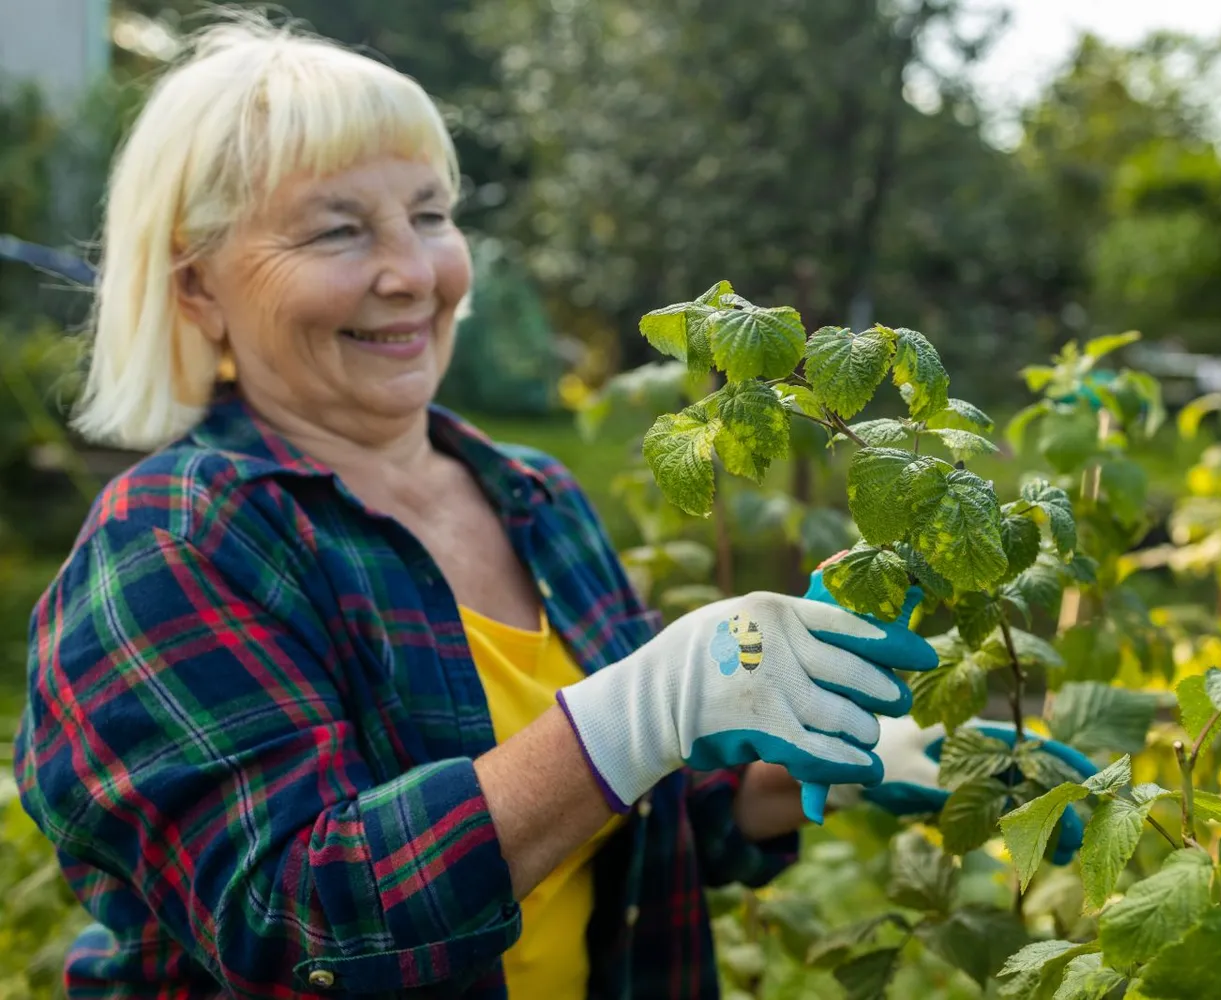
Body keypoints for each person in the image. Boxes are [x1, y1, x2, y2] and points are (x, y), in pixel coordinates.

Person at [12, 17, 949, 1000]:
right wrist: (638, 710)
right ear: (195, 284)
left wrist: (838, 764)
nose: (413, 274)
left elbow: (638, 815)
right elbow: (301, 921)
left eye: (430, 215)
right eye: (338, 229)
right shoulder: (174, 541)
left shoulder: (533, 496)